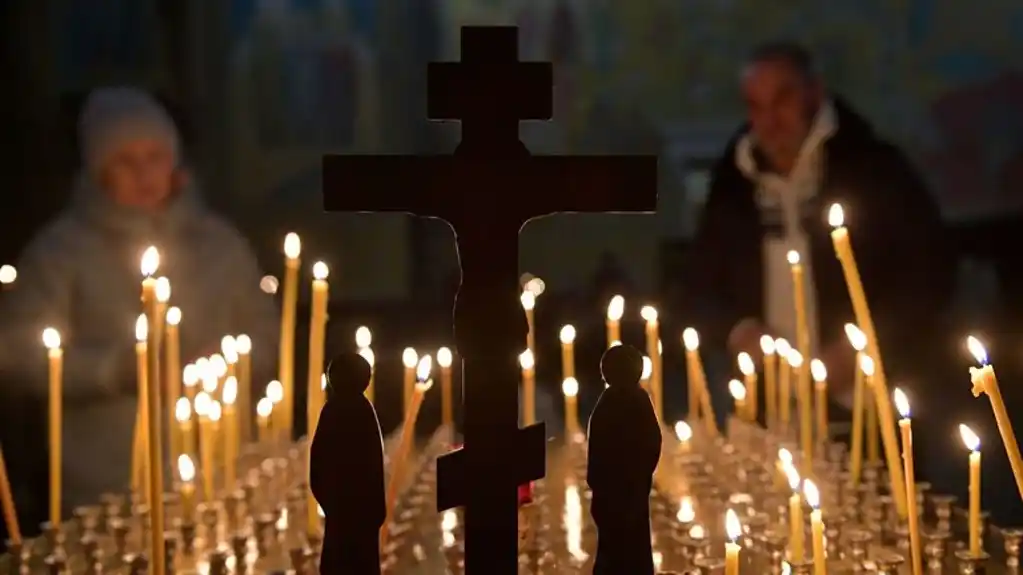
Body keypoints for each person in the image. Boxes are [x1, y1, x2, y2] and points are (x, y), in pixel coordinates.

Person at [0, 87, 278, 511]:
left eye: (155, 157)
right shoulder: (60, 253)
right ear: (98, 170)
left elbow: (266, 334)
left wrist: (227, 363)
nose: (144, 173)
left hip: (219, 473)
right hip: (106, 490)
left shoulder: (220, 245)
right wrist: (117, 368)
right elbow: (15, 352)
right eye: (125, 161)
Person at [587, 345, 661, 575]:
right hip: (623, 491)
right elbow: (652, 443)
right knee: (620, 547)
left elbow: (651, 443)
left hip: (623, 491)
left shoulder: (619, 402)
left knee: (624, 547)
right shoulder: (624, 401)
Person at [310, 353, 385, 574]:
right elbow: (373, 467)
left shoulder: (336, 411)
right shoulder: (357, 411)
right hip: (351, 514)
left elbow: (318, 467)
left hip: (346, 514)